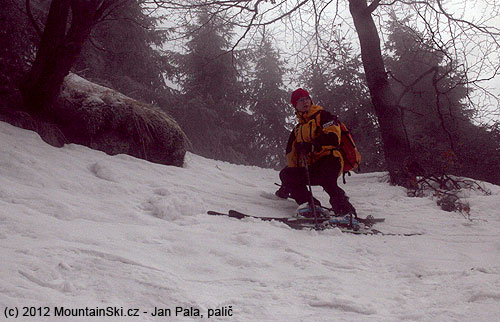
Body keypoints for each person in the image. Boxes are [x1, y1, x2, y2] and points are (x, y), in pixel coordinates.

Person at [275, 88, 356, 216]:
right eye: (300, 100)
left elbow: (333, 138)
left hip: (330, 160)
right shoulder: (297, 130)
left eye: (307, 99)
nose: (305, 102)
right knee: (286, 174)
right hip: (312, 167)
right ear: (295, 105)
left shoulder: (324, 116)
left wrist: (311, 146)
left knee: (327, 180)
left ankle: (346, 211)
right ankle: (310, 205)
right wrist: (287, 184)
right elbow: (292, 157)